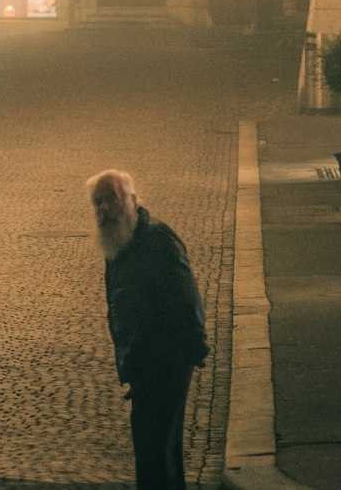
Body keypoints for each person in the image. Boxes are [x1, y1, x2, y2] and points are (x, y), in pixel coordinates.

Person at [85, 169, 209, 490]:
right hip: (143, 363)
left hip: (165, 361)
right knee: (155, 448)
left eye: (113, 197)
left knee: (156, 448)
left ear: (133, 199)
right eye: (98, 202)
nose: (105, 208)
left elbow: (185, 293)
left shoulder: (155, 240)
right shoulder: (118, 242)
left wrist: (195, 344)